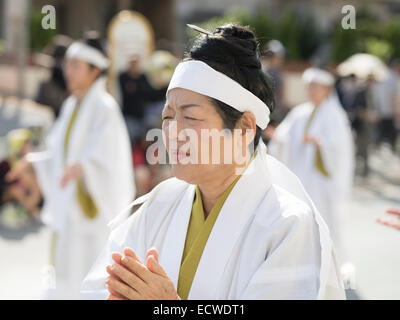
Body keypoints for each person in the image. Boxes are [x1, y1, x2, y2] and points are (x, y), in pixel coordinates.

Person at [81, 24, 345, 300]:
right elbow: (100, 286)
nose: (172, 132)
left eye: (191, 117)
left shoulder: (287, 227)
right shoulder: (158, 205)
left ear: (244, 127)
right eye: (168, 117)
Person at [6, 32, 135, 299]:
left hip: (90, 209)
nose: (68, 71)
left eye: (76, 65)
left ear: (95, 70)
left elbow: (111, 160)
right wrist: (33, 162)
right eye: (68, 64)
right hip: (69, 209)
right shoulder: (70, 106)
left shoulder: (104, 108)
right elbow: (57, 155)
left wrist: (84, 168)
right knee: (64, 277)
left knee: (88, 278)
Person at [268, 68, 354, 273]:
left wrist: (320, 144)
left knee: (326, 220)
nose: (312, 91)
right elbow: (286, 137)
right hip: (303, 177)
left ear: (326, 90)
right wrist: (277, 138)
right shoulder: (301, 112)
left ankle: (329, 264)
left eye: (316, 87)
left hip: (322, 180)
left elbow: (340, 149)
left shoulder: (335, 116)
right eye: (310, 87)